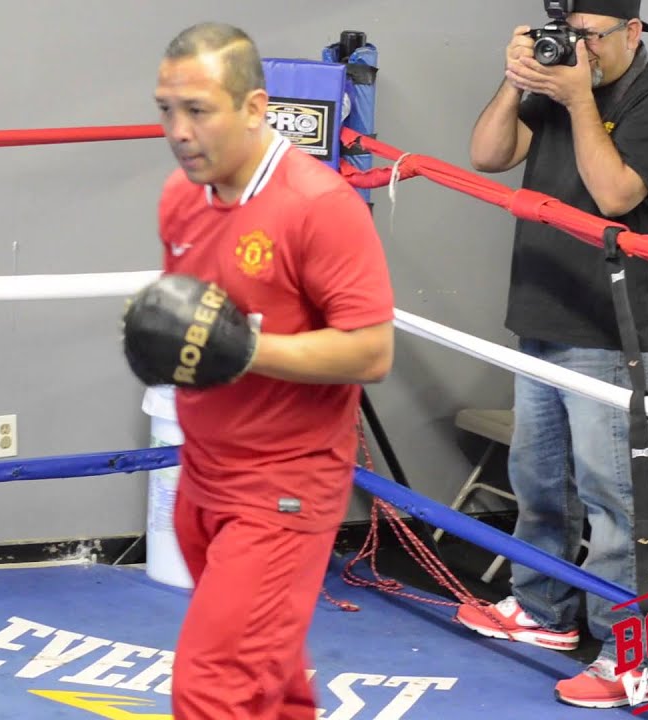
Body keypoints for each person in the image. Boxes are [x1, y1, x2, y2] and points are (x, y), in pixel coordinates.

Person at [454, 0, 648, 709]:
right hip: (540, 308)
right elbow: (487, 155)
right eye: (568, 35)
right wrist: (515, 80)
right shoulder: (560, 79)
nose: (578, 48)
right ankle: (543, 610)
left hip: (607, 326)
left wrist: (577, 99)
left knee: (613, 498)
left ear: (632, 32)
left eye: (591, 36)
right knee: (538, 482)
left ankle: (630, 652)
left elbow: (615, 195)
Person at [148, 22, 396, 719]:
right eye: (167, 109)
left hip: (283, 490)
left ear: (255, 107)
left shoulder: (317, 206)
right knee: (273, 686)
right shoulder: (181, 196)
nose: (179, 131)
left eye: (198, 110)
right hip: (204, 472)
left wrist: (246, 349)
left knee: (213, 687)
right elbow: (195, 331)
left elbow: (372, 351)